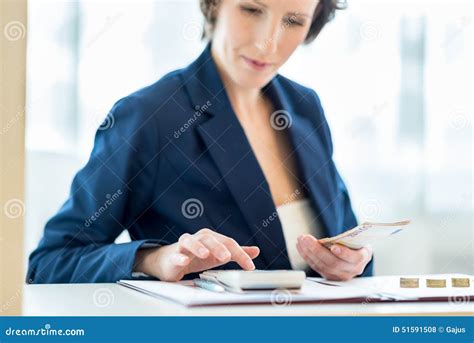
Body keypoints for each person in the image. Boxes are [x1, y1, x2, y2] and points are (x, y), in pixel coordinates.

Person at [27, 0, 373, 284]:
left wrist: (353, 261)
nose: (268, 42)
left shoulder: (305, 108)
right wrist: (153, 259)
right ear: (214, 5)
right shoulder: (151, 116)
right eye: (252, 10)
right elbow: (51, 262)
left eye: (294, 21)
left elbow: (347, 244)